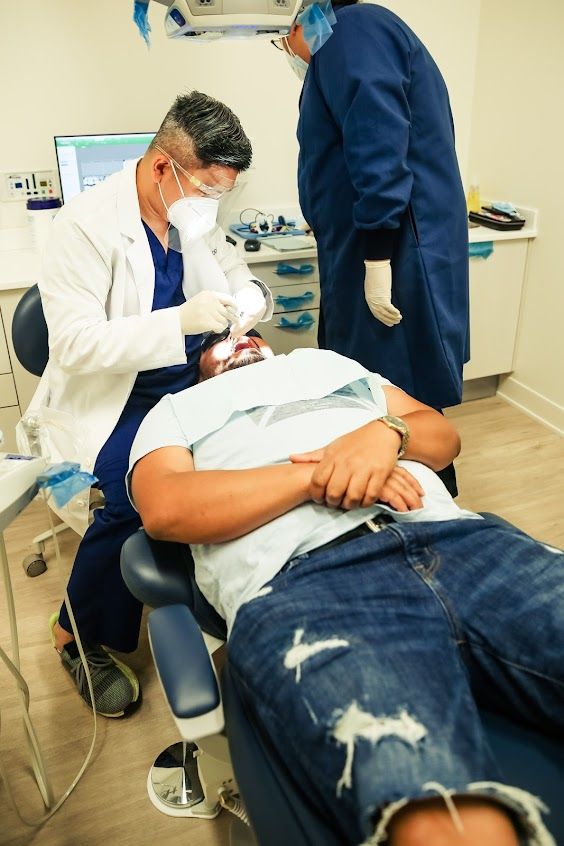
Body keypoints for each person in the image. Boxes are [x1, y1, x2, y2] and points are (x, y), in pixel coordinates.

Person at [128, 334, 562, 846]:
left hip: (468, 543)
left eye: (248, 329)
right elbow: (167, 508)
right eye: (216, 341)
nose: (237, 334)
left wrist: (386, 434)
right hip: (305, 585)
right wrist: (321, 477)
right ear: (200, 367)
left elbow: (441, 436)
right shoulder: (176, 410)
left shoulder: (327, 365)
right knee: (439, 814)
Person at [17, 91, 273, 717]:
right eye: (206, 191)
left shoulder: (192, 217)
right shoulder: (83, 225)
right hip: (116, 393)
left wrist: (245, 310)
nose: (211, 206)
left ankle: (223, 592)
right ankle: (77, 633)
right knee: (137, 499)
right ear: (163, 166)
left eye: (221, 195)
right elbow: (74, 346)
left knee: (255, 450)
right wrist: (178, 321)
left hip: (189, 378)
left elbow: (242, 278)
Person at [274, 0, 470, 496]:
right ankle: (395, 505)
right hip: (370, 246)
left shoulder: (352, 31)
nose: (287, 53)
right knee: (370, 389)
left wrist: (379, 254)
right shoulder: (352, 41)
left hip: (392, 252)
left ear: (300, 20)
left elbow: (377, 144)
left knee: (396, 396)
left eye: (281, 41)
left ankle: (432, 516)